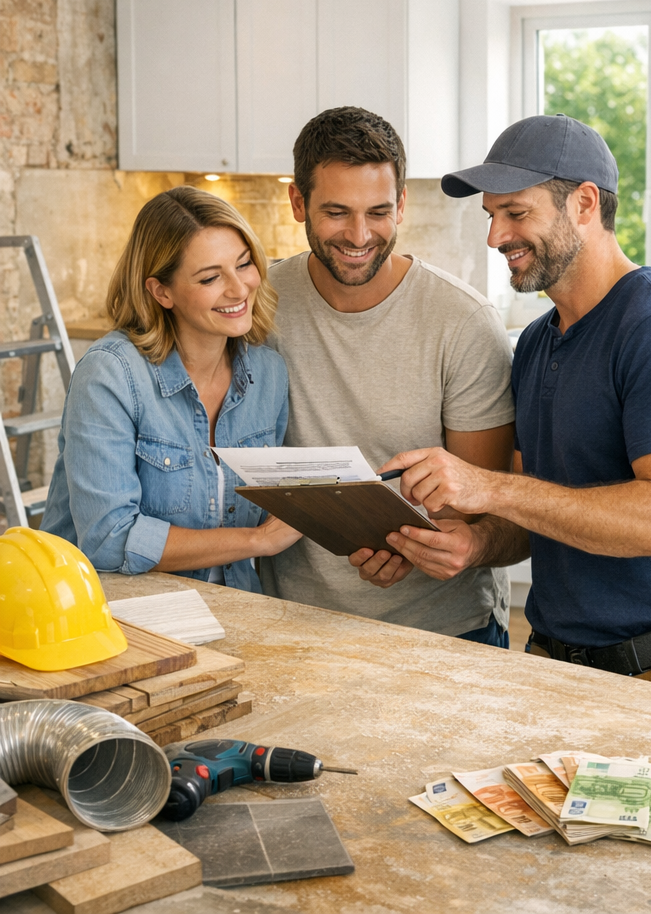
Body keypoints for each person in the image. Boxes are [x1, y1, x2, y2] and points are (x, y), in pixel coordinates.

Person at [374, 114, 651, 696]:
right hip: (555, 660)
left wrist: (488, 487)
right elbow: (541, 511)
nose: (495, 236)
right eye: (492, 216)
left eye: (516, 214)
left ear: (583, 203)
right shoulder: (535, 342)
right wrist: (476, 543)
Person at [260, 107, 516, 647]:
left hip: (445, 629)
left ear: (401, 204)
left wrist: (412, 544)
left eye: (378, 211)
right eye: (336, 212)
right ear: (298, 203)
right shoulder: (258, 304)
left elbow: (482, 500)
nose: (359, 234)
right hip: (293, 620)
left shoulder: (462, 322)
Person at [41, 187, 300, 590]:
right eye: (211, 277)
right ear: (161, 291)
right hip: (114, 615)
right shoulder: (111, 376)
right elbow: (108, 539)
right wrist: (257, 540)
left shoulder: (267, 373)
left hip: (238, 607)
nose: (238, 288)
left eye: (244, 264)